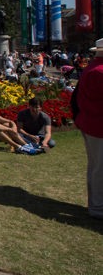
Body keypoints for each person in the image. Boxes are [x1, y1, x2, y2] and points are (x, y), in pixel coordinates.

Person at [75, 38, 103, 219]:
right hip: (98, 125)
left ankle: (96, 204)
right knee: (99, 168)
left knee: (96, 167)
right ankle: (97, 207)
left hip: (91, 123)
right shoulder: (99, 71)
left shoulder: (93, 68)